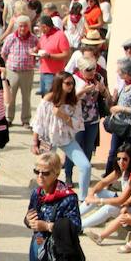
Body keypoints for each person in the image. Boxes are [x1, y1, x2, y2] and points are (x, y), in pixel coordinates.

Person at [32, 72, 92, 201]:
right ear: (59, 83)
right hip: (48, 140)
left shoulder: (74, 101)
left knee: (85, 166)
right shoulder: (48, 99)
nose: (71, 86)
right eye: (68, 83)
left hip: (67, 139)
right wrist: (34, 142)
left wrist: (62, 115)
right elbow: (38, 123)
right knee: (44, 169)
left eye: (72, 83)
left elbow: (77, 124)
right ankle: (42, 195)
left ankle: (83, 199)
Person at [64, 57, 110, 186]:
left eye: (94, 68)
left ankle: (85, 175)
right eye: (88, 69)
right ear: (81, 69)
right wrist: (83, 91)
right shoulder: (73, 79)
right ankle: (68, 175)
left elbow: (107, 96)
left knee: (89, 149)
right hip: (77, 120)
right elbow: (68, 99)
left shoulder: (98, 78)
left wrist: (102, 90)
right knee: (74, 149)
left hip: (93, 119)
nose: (92, 72)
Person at [103, 57, 131, 175]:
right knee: (113, 153)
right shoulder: (126, 83)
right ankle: (107, 180)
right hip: (119, 126)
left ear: (126, 73)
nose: (117, 72)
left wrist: (121, 109)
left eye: (119, 70)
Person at [80, 143, 131, 228]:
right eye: (119, 159)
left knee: (108, 208)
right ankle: (73, 216)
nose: (121, 162)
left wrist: (98, 201)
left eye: (125, 159)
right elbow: (102, 183)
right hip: (125, 202)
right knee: (98, 192)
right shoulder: (122, 169)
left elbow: (121, 200)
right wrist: (91, 194)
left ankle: (79, 226)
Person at [0, 16, 39, 127]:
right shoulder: (11, 37)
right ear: (17, 26)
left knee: (26, 97)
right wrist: (6, 66)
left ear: (29, 26)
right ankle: (8, 118)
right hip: (12, 71)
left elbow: (38, 52)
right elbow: (3, 53)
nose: (22, 28)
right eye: (20, 26)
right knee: (10, 96)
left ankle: (25, 120)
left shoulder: (34, 39)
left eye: (25, 26)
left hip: (27, 71)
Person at [35, 16, 71, 96]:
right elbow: (39, 47)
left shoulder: (60, 36)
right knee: (45, 99)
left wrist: (50, 56)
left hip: (54, 74)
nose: (38, 29)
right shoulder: (44, 36)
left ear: (44, 27)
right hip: (43, 71)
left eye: (39, 27)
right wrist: (34, 49)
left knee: (52, 98)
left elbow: (66, 54)